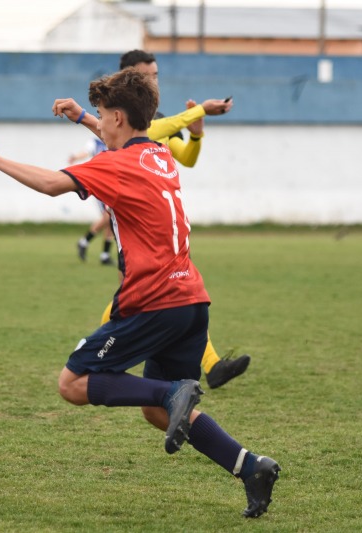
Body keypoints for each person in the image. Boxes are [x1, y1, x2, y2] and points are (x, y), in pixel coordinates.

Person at [0, 67, 280, 518]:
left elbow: (51, 184)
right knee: (158, 412)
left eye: (101, 114)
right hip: (192, 303)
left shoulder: (114, 165)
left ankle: (172, 392)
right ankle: (250, 466)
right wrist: (83, 117)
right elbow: (119, 138)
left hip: (153, 303)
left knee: (73, 384)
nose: (99, 122)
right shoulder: (157, 155)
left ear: (117, 117)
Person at [54, 50, 250, 390]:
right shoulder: (140, 121)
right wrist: (201, 109)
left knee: (157, 301)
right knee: (138, 302)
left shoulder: (151, 118)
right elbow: (158, 127)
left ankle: (209, 365)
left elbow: (187, 158)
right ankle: (103, 353)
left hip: (160, 235)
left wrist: (198, 132)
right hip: (136, 234)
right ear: (128, 78)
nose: (154, 81)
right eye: (147, 75)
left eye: (156, 75)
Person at [70, 137, 114, 265]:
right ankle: (85, 241)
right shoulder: (95, 142)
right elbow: (86, 152)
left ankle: (104, 255)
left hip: (113, 185)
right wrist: (75, 157)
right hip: (101, 185)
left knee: (112, 219)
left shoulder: (115, 139)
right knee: (108, 217)